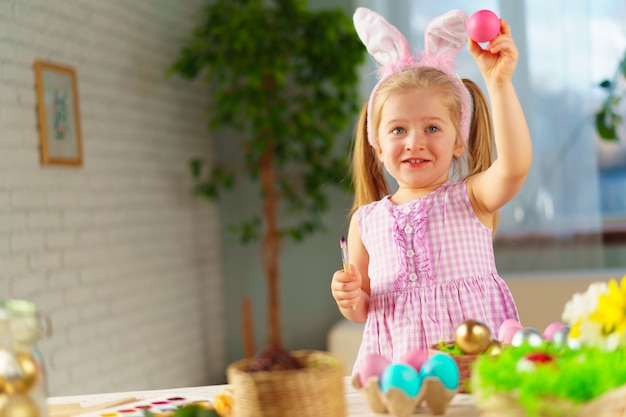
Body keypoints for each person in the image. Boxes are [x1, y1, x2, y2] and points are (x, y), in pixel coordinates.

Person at [330, 7, 532, 374]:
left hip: (472, 374)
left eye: (433, 129)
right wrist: (349, 297)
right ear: (376, 144)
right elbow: (363, 310)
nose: (414, 143)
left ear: (459, 140)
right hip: (398, 379)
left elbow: (515, 166)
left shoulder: (472, 198)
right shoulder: (366, 221)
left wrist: (499, 82)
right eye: (398, 130)